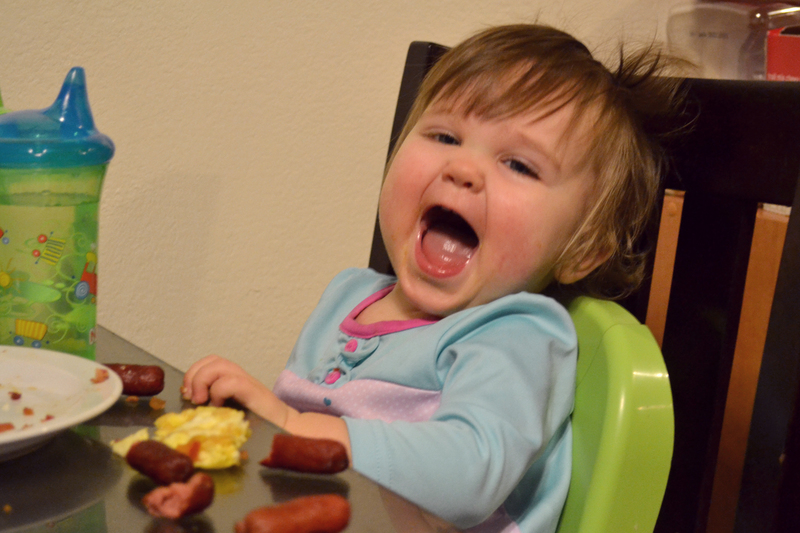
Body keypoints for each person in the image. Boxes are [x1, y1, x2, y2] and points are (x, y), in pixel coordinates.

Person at [182, 23, 685, 533]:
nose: (463, 168)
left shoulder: (519, 334)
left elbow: (471, 473)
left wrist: (296, 428)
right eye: (445, 137)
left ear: (582, 250)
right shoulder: (346, 295)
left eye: (519, 165)